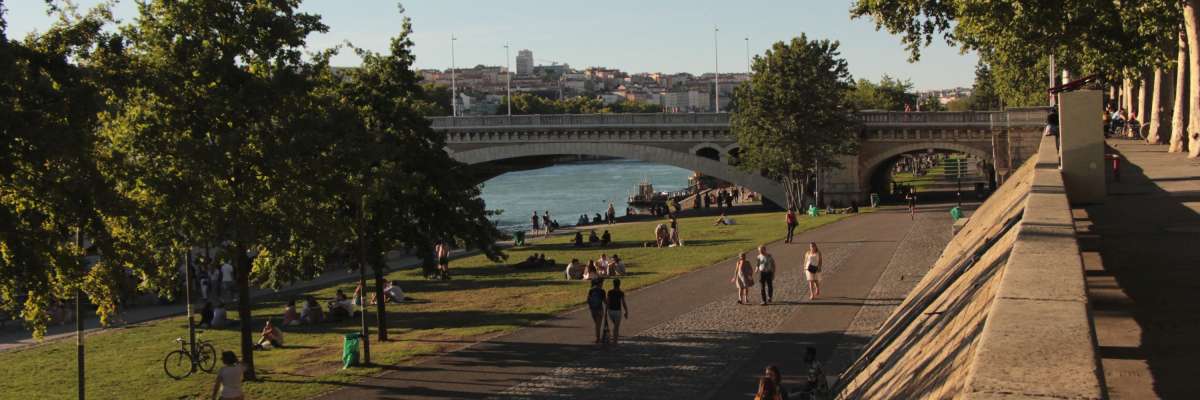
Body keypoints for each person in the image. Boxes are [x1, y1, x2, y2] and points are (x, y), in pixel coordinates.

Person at [606, 279, 629, 344]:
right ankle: (615, 341)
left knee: (615, 325)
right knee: (616, 327)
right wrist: (626, 311)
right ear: (619, 284)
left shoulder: (609, 292)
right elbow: (623, 303)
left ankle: (614, 339)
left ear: (613, 284)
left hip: (610, 311)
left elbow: (608, 302)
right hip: (617, 311)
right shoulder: (621, 292)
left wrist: (606, 311)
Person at [586, 279, 608, 344]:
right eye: (602, 283)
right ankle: (598, 338)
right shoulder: (602, 291)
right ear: (599, 283)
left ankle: (598, 337)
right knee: (598, 325)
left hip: (593, 310)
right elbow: (605, 301)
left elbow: (588, 300)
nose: (602, 284)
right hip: (599, 309)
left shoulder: (591, 290)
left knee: (597, 324)